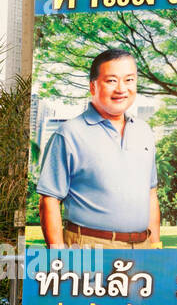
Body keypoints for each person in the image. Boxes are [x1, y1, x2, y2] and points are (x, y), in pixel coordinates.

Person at [36, 49, 161, 249]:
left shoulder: (144, 131)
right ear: (93, 86)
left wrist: (155, 246)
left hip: (143, 248)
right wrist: (57, 257)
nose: (122, 89)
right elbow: (49, 200)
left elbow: (151, 193)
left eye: (129, 80)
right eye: (111, 80)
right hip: (89, 246)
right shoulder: (69, 134)